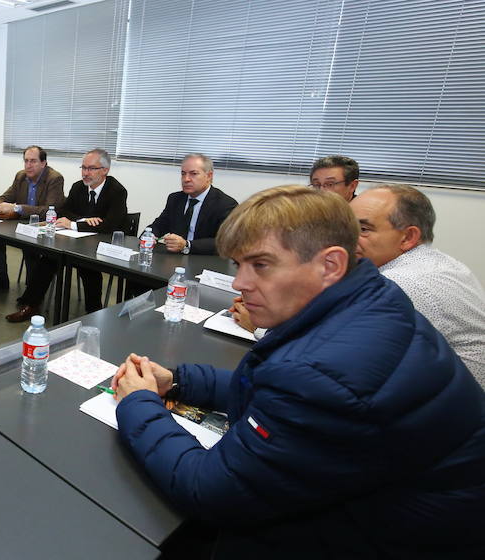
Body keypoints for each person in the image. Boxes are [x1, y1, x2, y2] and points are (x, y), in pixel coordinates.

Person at [112, 186, 485, 558]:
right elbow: (276, 389)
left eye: (260, 265)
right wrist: (180, 380)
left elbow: (210, 491)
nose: (240, 284)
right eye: (240, 265)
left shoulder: (326, 372)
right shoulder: (369, 298)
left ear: (330, 265)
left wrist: (139, 402)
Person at [351, 184, 485, 387]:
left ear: (408, 237)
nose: (346, 238)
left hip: (458, 408)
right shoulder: (439, 262)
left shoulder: (402, 284)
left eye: (363, 229)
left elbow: (356, 359)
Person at [231, 153, 362, 331]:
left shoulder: (362, 226)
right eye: (316, 185)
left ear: (352, 186)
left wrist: (261, 328)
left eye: (330, 184)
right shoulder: (311, 218)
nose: (322, 191)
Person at [6, 149, 127, 322]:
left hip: (102, 245)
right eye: (83, 168)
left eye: (91, 168)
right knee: (48, 259)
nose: (86, 173)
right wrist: (84, 221)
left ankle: (94, 313)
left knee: (89, 268)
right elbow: (64, 211)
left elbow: (110, 225)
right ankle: (31, 305)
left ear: (105, 170)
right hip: (76, 241)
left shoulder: (116, 191)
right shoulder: (79, 187)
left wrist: (75, 224)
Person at [0, 145, 65, 292]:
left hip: (45, 225)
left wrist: (17, 208)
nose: (28, 165)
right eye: (26, 161)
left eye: (33, 161)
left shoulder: (54, 178)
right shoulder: (21, 176)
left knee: (28, 243)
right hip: (23, 221)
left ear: (44, 163)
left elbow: (49, 210)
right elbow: (7, 196)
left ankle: (33, 289)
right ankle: (1, 277)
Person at [145, 153, 237, 255]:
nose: (186, 179)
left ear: (209, 176)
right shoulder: (175, 199)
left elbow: (225, 242)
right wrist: (149, 236)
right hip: (175, 260)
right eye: (183, 173)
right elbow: (160, 225)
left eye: (193, 174)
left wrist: (187, 245)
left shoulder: (225, 204)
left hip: (205, 260)